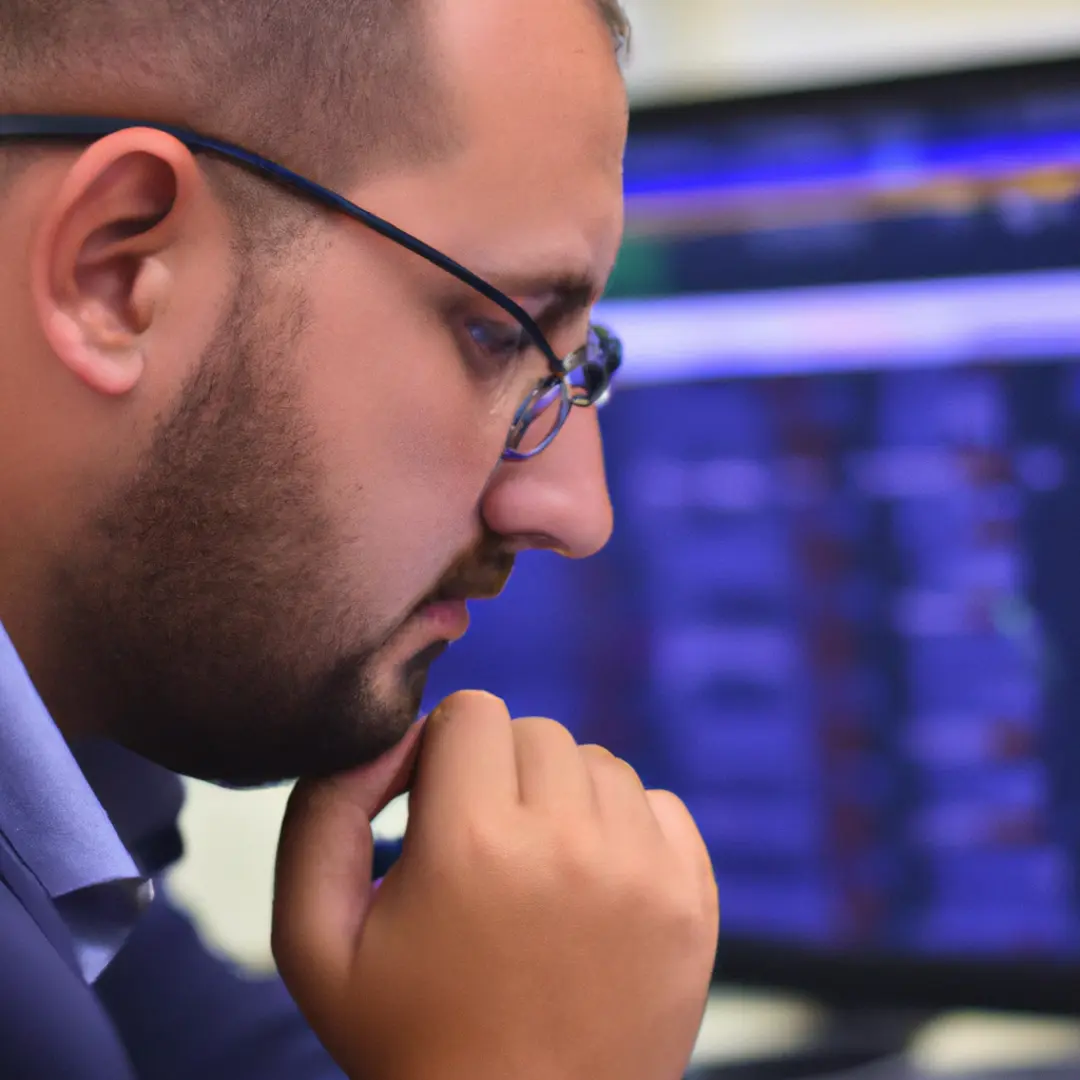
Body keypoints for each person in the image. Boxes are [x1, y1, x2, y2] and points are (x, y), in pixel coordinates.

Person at [0, 0, 720, 1076]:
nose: (574, 511)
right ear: (112, 275)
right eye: (498, 335)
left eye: (578, 365)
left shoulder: (65, 837)